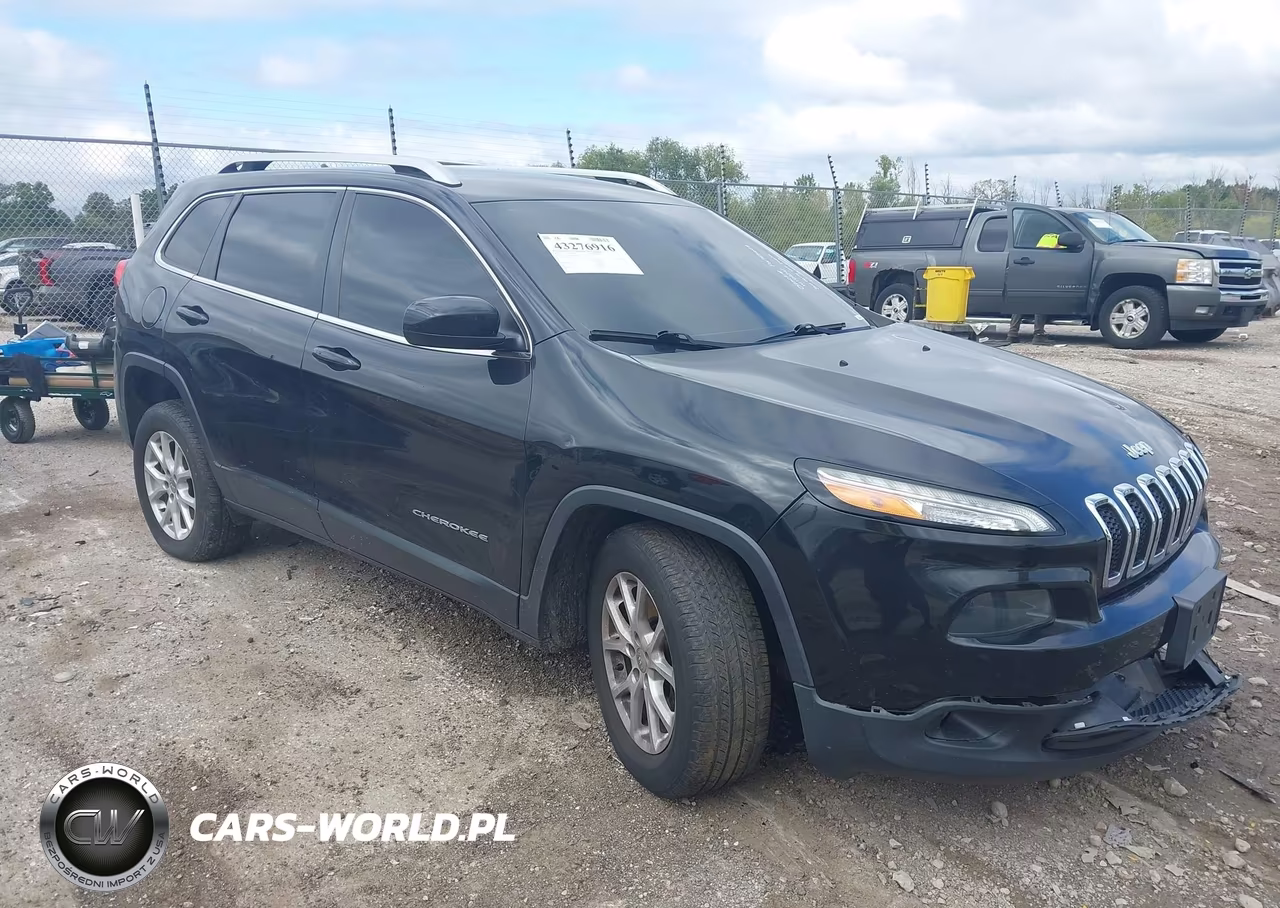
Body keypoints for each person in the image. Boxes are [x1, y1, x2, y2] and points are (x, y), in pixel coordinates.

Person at [1006, 231, 1062, 344]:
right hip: (1045, 270)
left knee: (1020, 302)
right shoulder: (1061, 239)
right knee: (1040, 301)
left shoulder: (1045, 236)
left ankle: (1012, 334)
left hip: (1031, 268)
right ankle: (1038, 334)